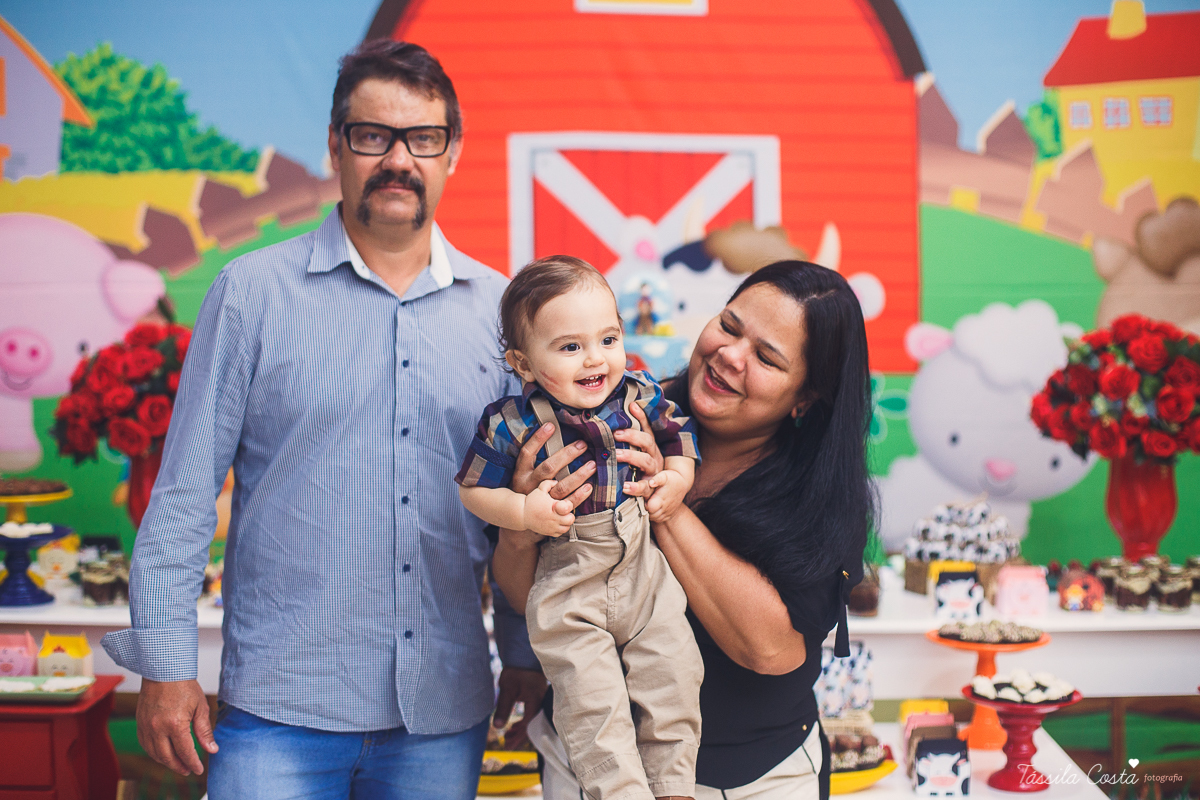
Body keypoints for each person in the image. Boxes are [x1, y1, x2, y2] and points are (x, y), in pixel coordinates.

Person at [102, 40, 546, 799]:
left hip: (440, 712)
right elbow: (181, 494)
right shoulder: (250, 295)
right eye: (373, 136)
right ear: (337, 147)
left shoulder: (504, 316)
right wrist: (166, 665)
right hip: (279, 710)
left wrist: (525, 655)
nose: (399, 159)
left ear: (453, 154)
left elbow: (521, 511)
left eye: (423, 140)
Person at [493, 261, 874, 800]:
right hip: (587, 769)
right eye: (730, 325)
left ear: (805, 398)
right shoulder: (607, 414)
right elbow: (527, 592)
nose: (730, 355)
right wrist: (522, 524)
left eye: (766, 357)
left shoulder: (819, 493)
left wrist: (664, 500)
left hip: (751, 779)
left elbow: (771, 649)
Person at [455, 256, 703, 800]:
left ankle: (674, 785)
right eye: (570, 347)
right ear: (522, 363)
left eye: (608, 338)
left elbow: (679, 434)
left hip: (642, 567)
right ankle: (620, 793)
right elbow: (471, 489)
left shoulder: (638, 395)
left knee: (674, 669)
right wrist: (523, 514)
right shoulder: (510, 422)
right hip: (568, 578)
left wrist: (677, 479)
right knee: (592, 701)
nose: (595, 359)